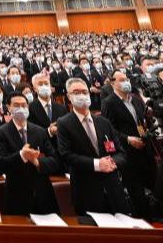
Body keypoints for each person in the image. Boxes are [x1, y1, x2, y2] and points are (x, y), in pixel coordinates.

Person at [57, 77, 132, 215]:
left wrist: (112, 162)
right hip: (86, 191)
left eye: (85, 92)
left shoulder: (103, 122)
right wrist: (97, 164)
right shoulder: (64, 123)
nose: (82, 96)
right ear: (68, 96)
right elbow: (66, 155)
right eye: (76, 92)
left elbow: (120, 152)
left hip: (113, 189)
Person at [0, 91, 61, 215]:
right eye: (16, 105)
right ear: (8, 107)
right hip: (16, 195)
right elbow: (0, 163)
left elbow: (55, 161)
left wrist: (37, 162)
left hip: (42, 193)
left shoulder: (40, 131)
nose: (21, 108)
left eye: (24, 105)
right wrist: (21, 155)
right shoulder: (2, 132)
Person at [101, 71, 156, 218]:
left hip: (145, 150)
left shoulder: (137, 100)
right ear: (113, 83)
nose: (126, 82)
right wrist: (127, 139)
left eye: (127, 79)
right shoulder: (109, 103)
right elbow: (109, 129)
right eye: (121, 80)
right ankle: (145, 221)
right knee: (136, 192)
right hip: (128, 154)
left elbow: (145, 121)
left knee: (158, 187)